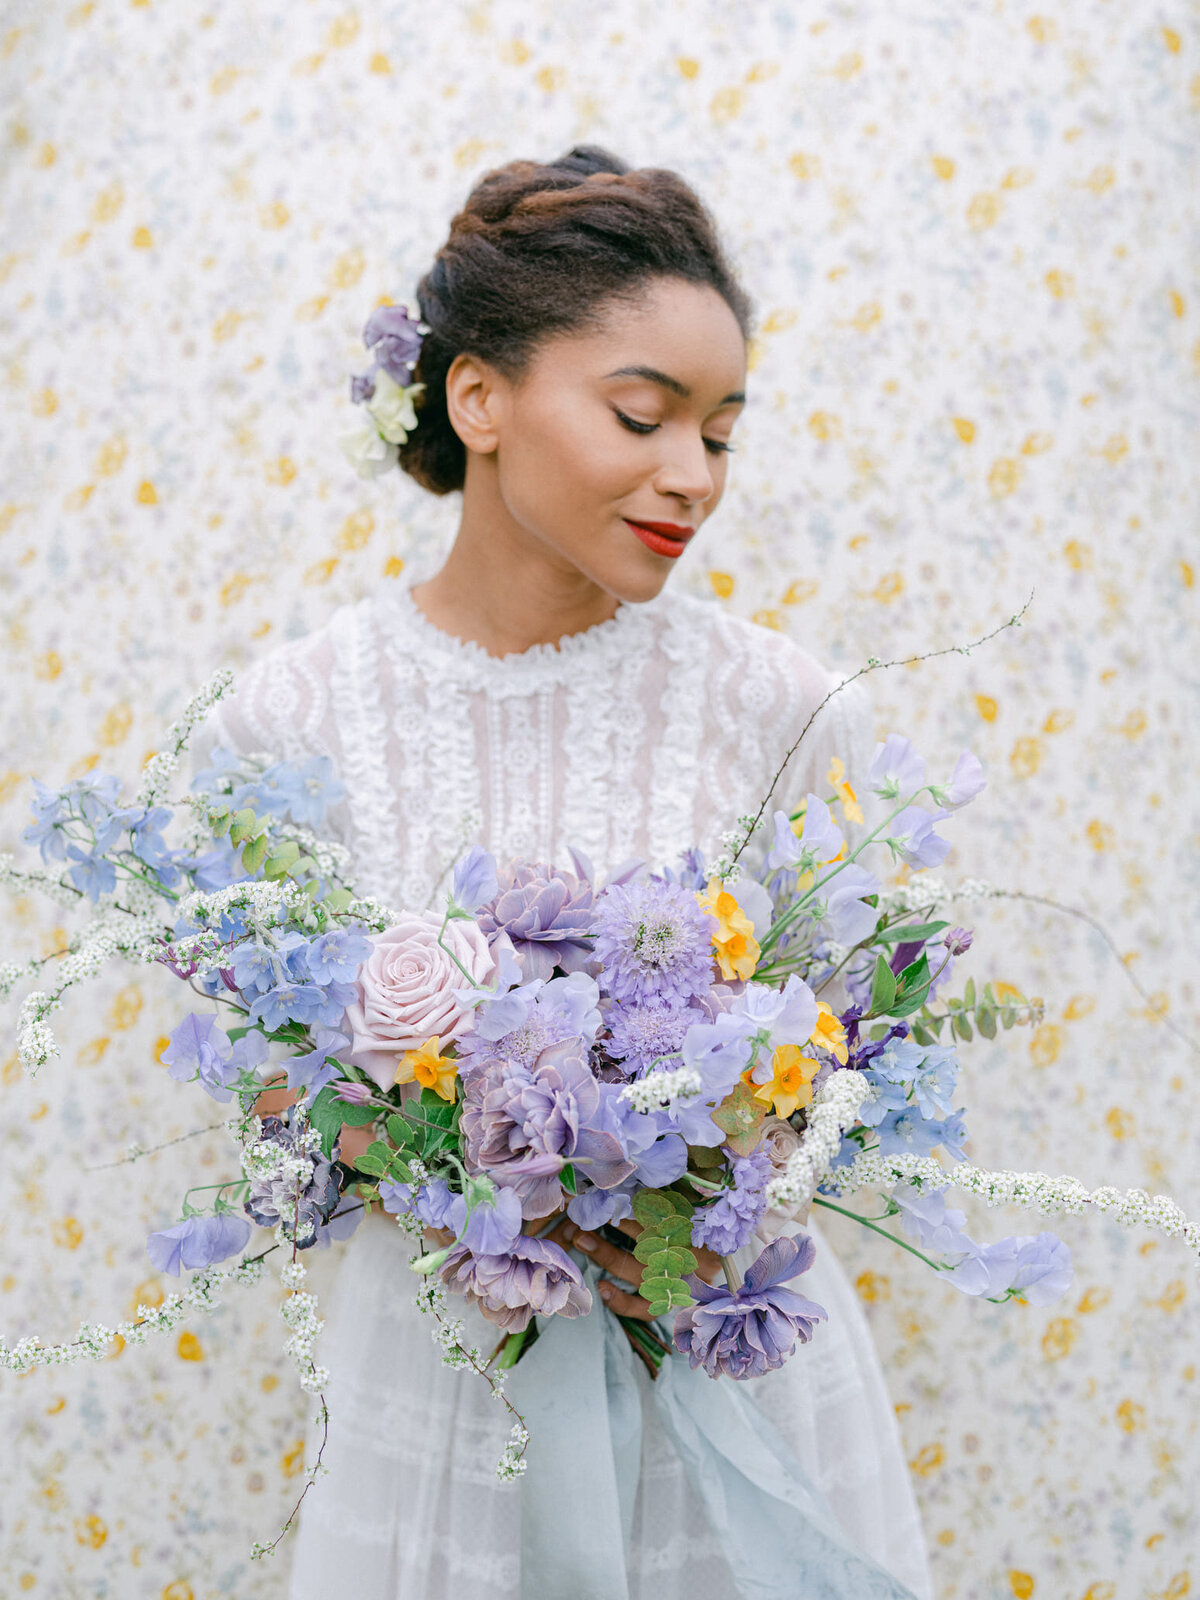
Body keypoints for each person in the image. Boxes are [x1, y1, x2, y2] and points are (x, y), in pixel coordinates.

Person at [200, 145, 934, 1600]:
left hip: (732, 1370)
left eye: (721, 433)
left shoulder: (784, 709)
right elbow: (262, 1070)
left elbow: (865, 1055)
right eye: (644, 415)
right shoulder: (289, 722)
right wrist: (469, 1175)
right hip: (446, 1394)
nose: (693, 477)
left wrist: (706, 1161)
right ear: (479, 396)